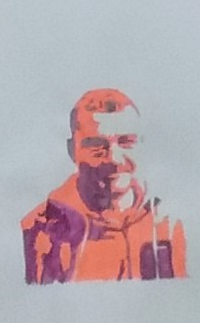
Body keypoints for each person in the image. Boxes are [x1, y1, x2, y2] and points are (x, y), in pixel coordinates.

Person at [22, 89, 187, 284]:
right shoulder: (38, 230)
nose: (115, 160)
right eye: (97, 146)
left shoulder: (173, 222)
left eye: (126, 142)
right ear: (72, 151)